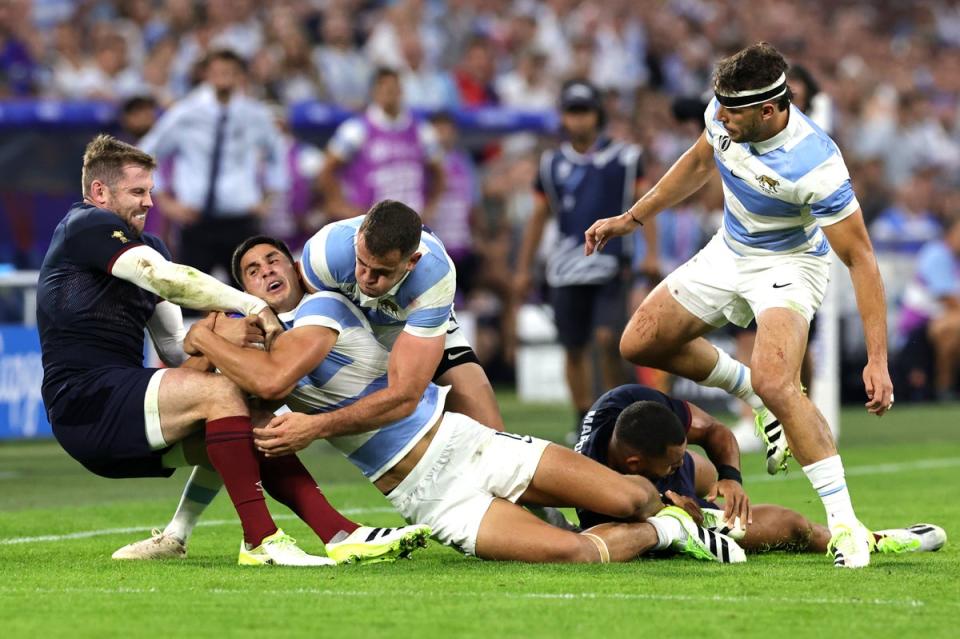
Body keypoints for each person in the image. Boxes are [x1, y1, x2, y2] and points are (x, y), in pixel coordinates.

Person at [180, 235, 747, 564]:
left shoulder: (325, 308)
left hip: (466, 442)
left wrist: (202, 334)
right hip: (428, 495)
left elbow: (274, 381)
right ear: (244, 292)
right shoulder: (255, 348)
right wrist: (215, 342)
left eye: (273, 260)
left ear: (296, 269)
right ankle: (675, 529)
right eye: (252, 272)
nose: (266, 272)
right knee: (576, 554)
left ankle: (690, 510)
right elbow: (211, 387)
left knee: (628, 497)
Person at [42, 134, 425, 567]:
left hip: (121, 414)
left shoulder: (153, 248)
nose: (150, 202)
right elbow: (164, 279)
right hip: (83, 400)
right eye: (137, 192)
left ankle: (340, 533)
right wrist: (249, 305)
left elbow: (174, 353)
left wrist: (220, 342)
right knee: (221, 396)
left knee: (252, 418)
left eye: (151, 190)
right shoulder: (85, 225)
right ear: (99, 192)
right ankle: (260, 540)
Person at [584, 43, 894, 568]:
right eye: (719, 108)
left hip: (789, 264)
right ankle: (750, 387)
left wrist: (878, 358)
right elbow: (700, 160)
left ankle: (846, 529)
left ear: (769, 111)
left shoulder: (815, 164)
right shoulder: (723, 112)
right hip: (731, 248)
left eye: (733, 112)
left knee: (778, 381)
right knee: (640, 341)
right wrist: (631, 218)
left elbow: (861, 259)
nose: (720, 118)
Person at [574, 385, 946, 556]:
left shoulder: (632, 402)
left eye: (679, 455)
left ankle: (698, 481)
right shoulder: (593, 486)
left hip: (671, 482)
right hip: (654, 507)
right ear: (636, 463)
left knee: (698, 468)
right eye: (670, 463)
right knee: (792, 526)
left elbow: (717, 431)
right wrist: (672, 512)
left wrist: (731, 479)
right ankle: (881, 541)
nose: (675, 464)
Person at [514, 80, 653, 435]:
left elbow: (646, 205)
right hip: (566, 268)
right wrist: (524, 267)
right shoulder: (551, 163)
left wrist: (650, 253)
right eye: (572, 112)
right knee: (573, 348)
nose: (578, 120)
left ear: (598, 115)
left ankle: (613, 415)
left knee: (609, 340)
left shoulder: (625, 158)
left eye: (584, 112)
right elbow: (538, 216)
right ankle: (584, 420)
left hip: (611, 263)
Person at [139, 48, 288, 281]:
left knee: (249, 296)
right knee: (188, 298)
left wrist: (268, 199)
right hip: (195, 219)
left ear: (241, 75)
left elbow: (276, 154)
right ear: (206, 74)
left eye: (230, 71)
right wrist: (166, 202)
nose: (224, 77)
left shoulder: (255, 115)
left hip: (241, 220)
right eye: (218, 71)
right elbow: (147, 152)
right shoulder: (186, 113)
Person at [318, 67, 445, 222]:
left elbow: (439, 172)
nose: (389, 93)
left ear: (401, 91)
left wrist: (431, 207)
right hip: (373, 223)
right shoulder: (356, 129)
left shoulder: (422, 130)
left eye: (393, 88)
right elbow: (327, 169)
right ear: (374, 92)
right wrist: (339, 205)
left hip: (411, 221)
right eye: (383, 88)